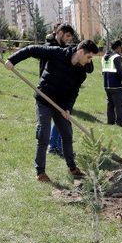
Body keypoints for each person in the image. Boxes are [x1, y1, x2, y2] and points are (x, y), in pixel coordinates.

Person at [5, 39, 98, 183]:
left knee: (67, 135)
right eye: (89, 57)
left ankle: (72, 168)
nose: (89, 61)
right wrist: (12, 60)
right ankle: (40, 172)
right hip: (44, 99)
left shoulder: (81, 72)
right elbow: (31, 50)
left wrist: (68, 108)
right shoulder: (57, 53)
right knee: (44, 134)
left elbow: (74, 92)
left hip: (60, 105)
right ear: (80, 52)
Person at [41, 24, 75, 157]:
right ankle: (54, 146)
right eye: (67, 36)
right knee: (60, 118)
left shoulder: (61, 47)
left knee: (62, 118)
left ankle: (57, 146)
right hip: (50, 88)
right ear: (60, 33)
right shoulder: (50, 47)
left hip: (60, 88)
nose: (68, 39)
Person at [102, 40, 122, 126]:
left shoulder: (105, 57)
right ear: (118, 47)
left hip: (107, 86)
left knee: (110, 104)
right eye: (120, 48)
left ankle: (110, 122)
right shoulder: (117, 57)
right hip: (117, 86)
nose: (121, 50)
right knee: (119, 105)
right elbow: (120, 72)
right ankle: (120, 123)